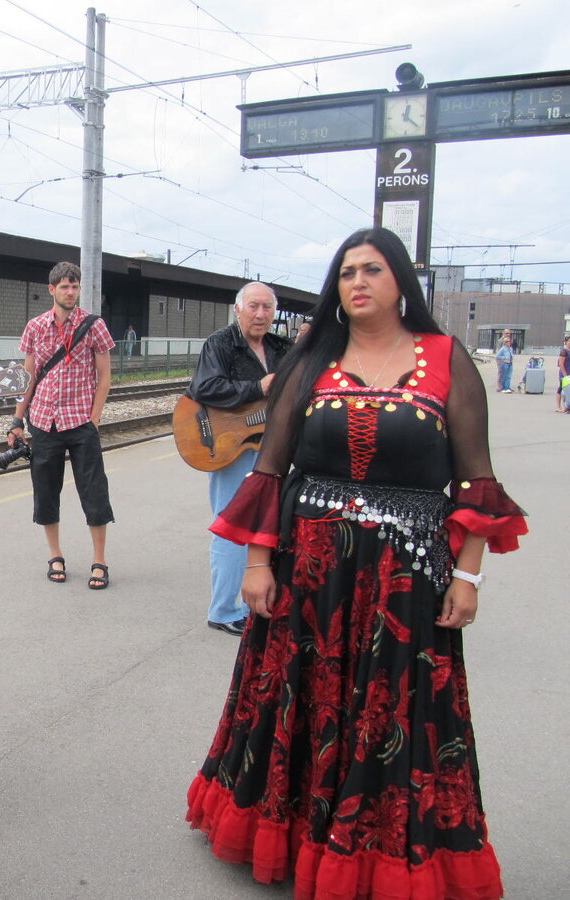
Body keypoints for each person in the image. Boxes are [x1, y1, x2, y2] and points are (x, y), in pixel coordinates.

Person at [187, 227, 527, 899]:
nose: (358, 282)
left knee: (394, 711)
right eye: (346, 273)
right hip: (311, 570)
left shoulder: (444, 358)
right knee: (295, 697)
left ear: (401, 280)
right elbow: (271, 468)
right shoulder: (310, 360)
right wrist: (258, 563)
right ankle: (284, 834)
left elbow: (475, 479)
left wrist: (468, 573)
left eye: (373, 269)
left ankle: (374, 851)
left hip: (406, 577)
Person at [187, 282, 291, 635]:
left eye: (267, 308)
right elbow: (204, 388)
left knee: (269, 525)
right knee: (231, 526)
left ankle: (257, 600)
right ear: (238, 309)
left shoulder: (281, 348)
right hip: (232, 446)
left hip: (271, 447)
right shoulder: (220, 343)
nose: (260, 314)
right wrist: (257, 388)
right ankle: (223, 610)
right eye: (254, 306)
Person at [8, 261, 115, 589]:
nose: (70, 291)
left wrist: (93, 419)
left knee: (93, 491)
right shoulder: (36, 327)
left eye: (75, 286)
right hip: (43, 422)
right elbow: (27, 379)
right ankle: (55, 554)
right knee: (46, 491)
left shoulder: (94, 326)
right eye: (64, 286)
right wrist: (17, 421)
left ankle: (100, 560)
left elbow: (105, 376)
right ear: (52, 290)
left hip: (80, 421)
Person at [557, 335, 569, 412]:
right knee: (561, 389)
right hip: (565, 374)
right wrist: (565, 376)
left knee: (568, 391)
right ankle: (558, 407)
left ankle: (567, 406)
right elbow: (561, 364)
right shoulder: (564, 351)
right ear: (566, 342)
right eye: (569, 341)